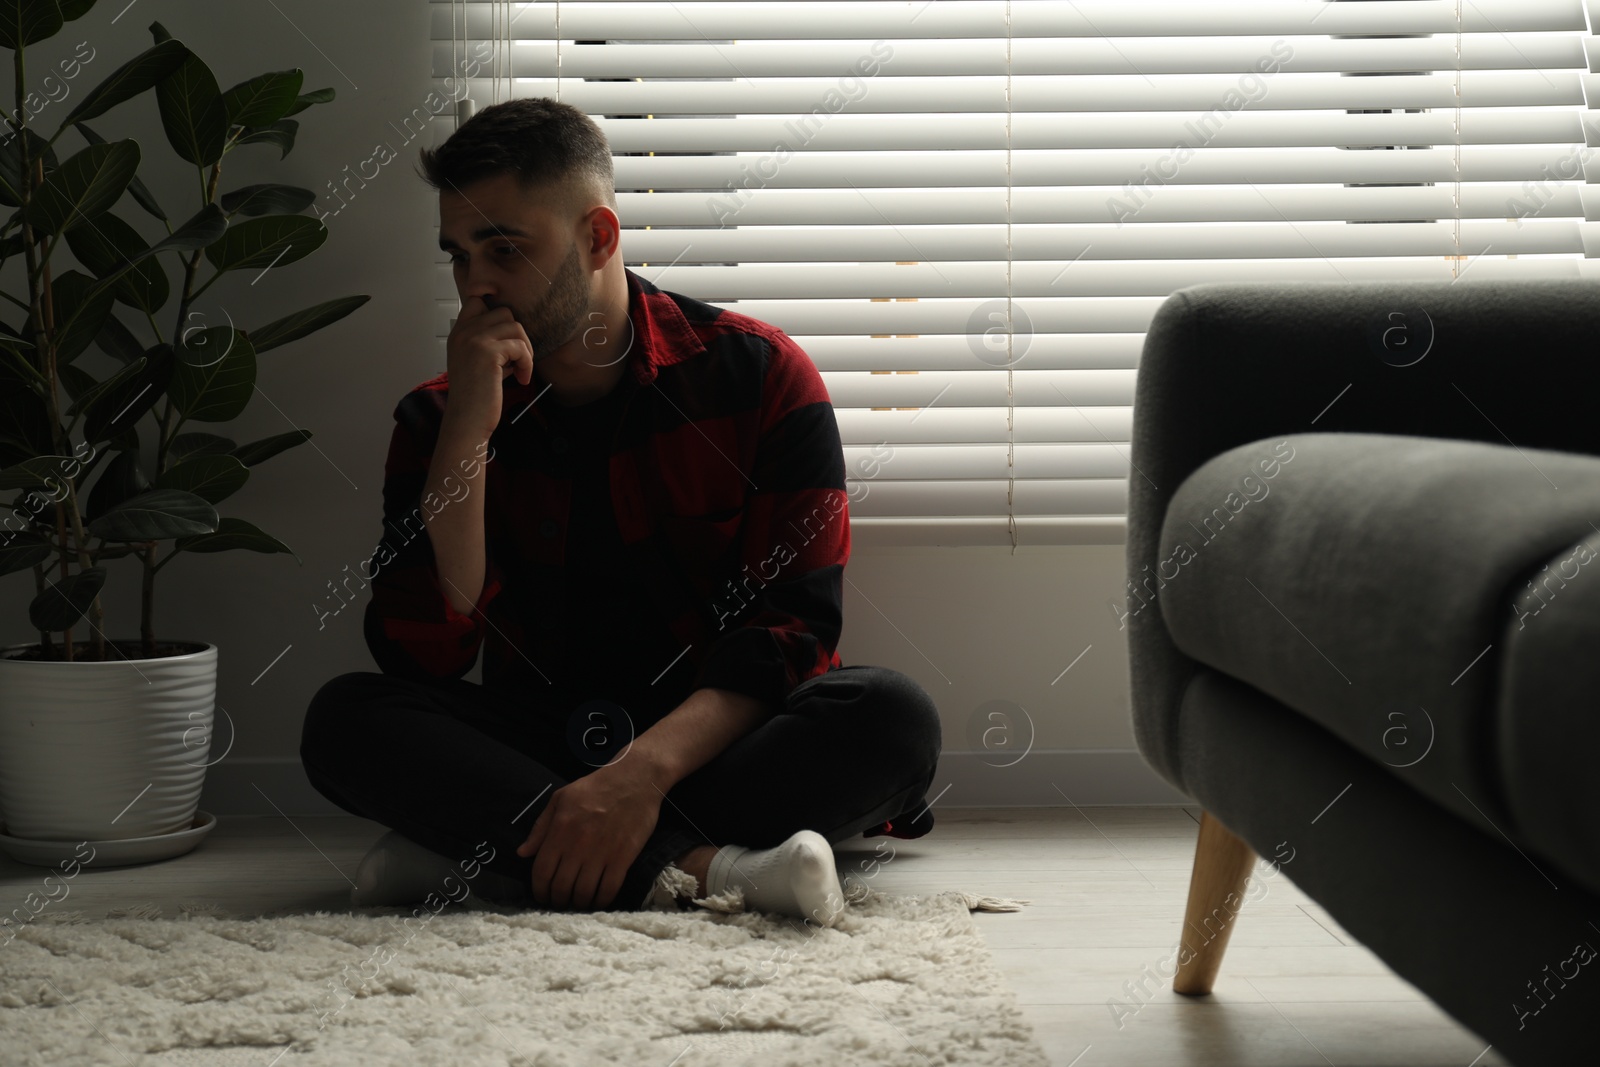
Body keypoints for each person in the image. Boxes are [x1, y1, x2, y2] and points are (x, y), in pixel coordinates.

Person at [299, 97, 942, 927]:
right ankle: (714, 869)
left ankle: (492, 856)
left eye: (503, 247)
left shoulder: (759, 377)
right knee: (345, 721)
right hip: (537, 739)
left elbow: (788, 638)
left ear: (597, 237)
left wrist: (637, 778)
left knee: (892, 718)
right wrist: (467, 432)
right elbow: (421, 651)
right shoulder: (437, 418)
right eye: (458, 256)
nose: (476, 284)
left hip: (706, 744)